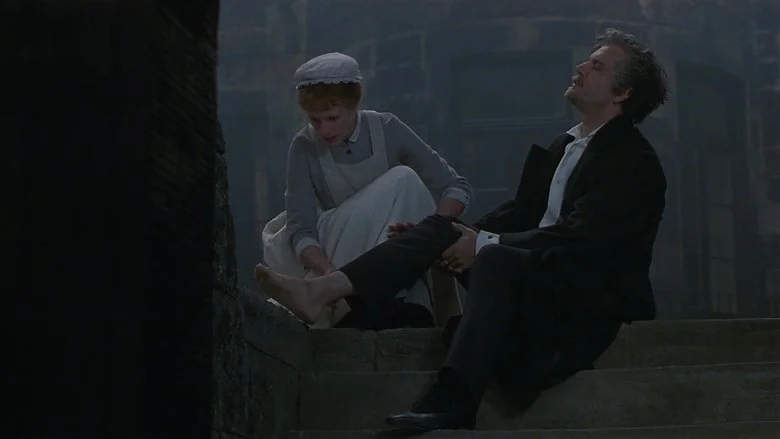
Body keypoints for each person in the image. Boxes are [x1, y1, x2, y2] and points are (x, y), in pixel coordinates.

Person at [254, 28, 669, 430]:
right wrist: (449, 236)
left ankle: (455, 400)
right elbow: (517, 213)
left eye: (597, 66)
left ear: (622, 93)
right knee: (441, 229)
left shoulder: (633, 160)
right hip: (533, 273)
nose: (581, 67)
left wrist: (483, 243)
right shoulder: (566, 145)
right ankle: (322, 292)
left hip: (582, 292)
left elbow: (579, 237)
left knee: (494, 255)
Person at [261, 52, 473, 329]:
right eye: (315, 120)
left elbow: (455, 187)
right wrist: (329, 272)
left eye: (332, 118)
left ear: (354, 106)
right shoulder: (303, 147)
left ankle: (379, 295)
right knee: (402, 181)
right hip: (338, 249)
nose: (324, 130)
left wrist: (430, 231)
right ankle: (332, 291)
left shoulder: (387, 129)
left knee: (405, 181)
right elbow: (301, 228)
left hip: (393, 247)